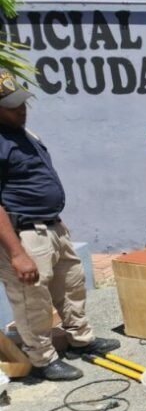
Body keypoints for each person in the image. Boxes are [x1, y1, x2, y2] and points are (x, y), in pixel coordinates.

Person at [0, 68, 119, 381]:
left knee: (71, 286)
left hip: (52, 227)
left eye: (22, 102)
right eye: (12, 106)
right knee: (33, 301)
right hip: (24, 235)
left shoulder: (24, 134)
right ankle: (43, 358)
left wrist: (56, 221)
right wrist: (16, 254)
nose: (21, 109)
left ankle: (81, 340)